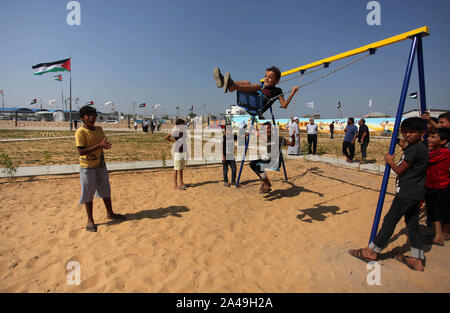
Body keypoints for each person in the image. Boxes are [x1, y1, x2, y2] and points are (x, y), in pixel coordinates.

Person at [349, 117, 428, 271]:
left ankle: (372, 251)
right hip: (416, 193)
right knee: (413, 225)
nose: (407, 135)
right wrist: (404, 146)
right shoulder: (420, 147)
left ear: (422, 133)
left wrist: (390, 161)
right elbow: (412, 159)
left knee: (390, 220)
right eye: (405, 132)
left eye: (412, 132)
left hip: (406, 193)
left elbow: (399, 170)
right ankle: (417, 258)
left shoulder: (415, 149)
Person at [75, 105, 124, 232]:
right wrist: (100, 145)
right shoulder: (80, 132)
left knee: (106, 190)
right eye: (88, 115)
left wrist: (105, 146)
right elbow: (81, 151)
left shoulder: (99, 129)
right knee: (88, 193)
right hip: (87, 167)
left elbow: (103, 143)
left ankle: (110, 213)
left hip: (100, 165)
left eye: (93, 115)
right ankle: (90, 220)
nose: (91, 118)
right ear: (82, 118)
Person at [213, 66, 299, 116]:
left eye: (270, 77)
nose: (266, 79)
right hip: (249, 104)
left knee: (258, 86)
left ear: (276, 81)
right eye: (266, 76)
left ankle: (232, 86)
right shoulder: (263, 87)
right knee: (247, 82)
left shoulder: (278, 90)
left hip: (257, 108)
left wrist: (293, 92)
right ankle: (226, 82)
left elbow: (284, 105)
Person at [249, 122, 295, 193]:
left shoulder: (279, 138)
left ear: (272, 129)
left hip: (275, 163)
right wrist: (253, 131)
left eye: (269, 128)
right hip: (268, 160)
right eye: (265, 129)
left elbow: (292, 144)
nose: (268, 131)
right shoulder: (266, 138)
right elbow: (259, 135)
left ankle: (266, 183)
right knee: (252, 164)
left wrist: (293, 137)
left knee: (259, 166)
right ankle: (265, 182)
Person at [425, 128, 450, 245]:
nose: (429, 139)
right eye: (429, 136)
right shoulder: (432, 150)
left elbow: (427, 159)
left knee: (444, 210)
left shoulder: (444, 152)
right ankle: (438, 235)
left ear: (443, 141)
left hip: (441, 186)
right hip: (430, 185)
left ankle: (445, 231)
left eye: (433, 137)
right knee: (434, 210)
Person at [165, 119, 187, 190]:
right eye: (183, 124)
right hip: (177, 152)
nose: (185, 125)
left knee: (181, 168)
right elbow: (166, 137)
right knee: (176, 169)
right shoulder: (176, 131)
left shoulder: (183, 131)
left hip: (183, 151)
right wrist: (174, 142)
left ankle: (181, 182)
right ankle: (175, 185)